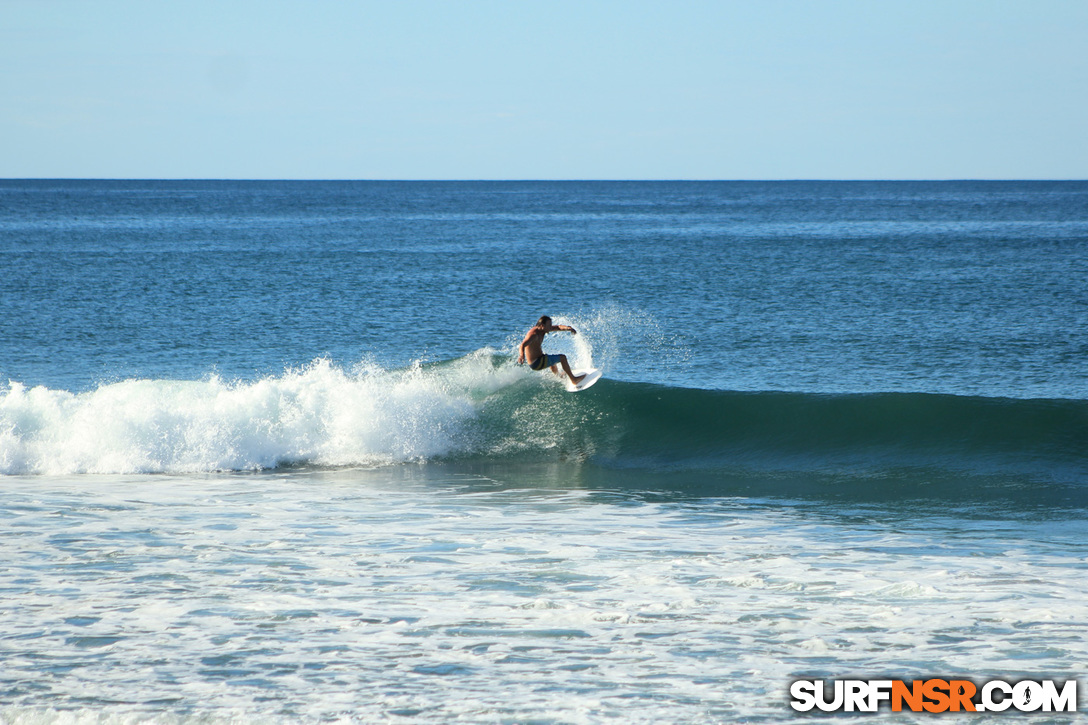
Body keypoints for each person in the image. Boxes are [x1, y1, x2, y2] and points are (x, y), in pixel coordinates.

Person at [517, 315, 585, 385]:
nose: (551, 327)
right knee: (562, 358)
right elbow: (522, 345)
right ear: (542, 325)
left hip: (540, 358)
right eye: (549, 325)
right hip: (536, 363)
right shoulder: (533, 334)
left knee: (551, 360)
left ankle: (558, 377)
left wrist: (568, 328)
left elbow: (558, 327)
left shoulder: (542, 329)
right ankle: (574, 380)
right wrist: (522, 355)